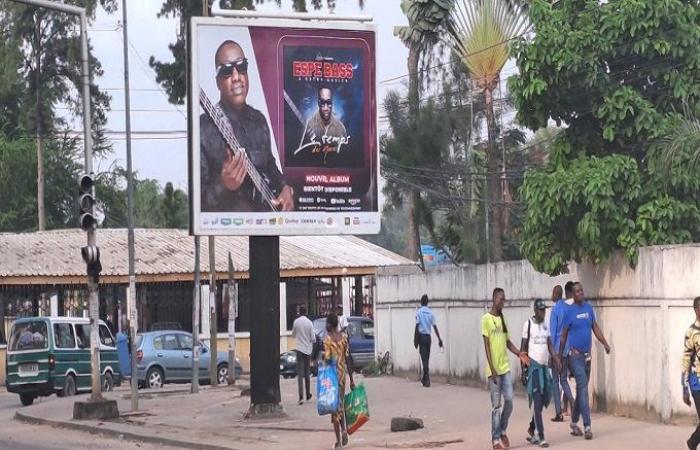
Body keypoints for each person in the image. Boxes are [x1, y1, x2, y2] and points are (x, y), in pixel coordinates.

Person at [200, 39, 294, 212]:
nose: (236, 77)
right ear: (218, 82)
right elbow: (199, 200)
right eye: (227, 71)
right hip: (229, 233)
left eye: (242, 68)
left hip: (265, 226)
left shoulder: (259, 120)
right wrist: (223, 184)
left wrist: (284, 187)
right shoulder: (203, 128)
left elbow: (270, 165)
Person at [558, 282, 611, 440]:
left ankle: (574, 423)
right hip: (575, 356)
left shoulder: (588, 308)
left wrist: (605, 343)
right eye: (577, 291)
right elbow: (563, 336)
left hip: (587, 356)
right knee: (583, 390)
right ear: (573, 295)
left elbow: (595, 327)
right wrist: (559, 356)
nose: (581, 293)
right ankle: (587, 426)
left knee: (581, 391)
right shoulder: (569, 312)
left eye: (582, 290)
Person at [481, 288, 530, 450]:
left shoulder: (503, 319)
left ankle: (502, 429)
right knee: (496, 406)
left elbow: (508, 342)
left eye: (504, 300)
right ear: (494, 299)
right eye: (501, 299)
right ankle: (495, 441)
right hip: (494, 371)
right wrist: (492, 368)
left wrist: (519, 354)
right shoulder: (486, 319)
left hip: (505, 368)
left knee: (509, 401)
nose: (503, 302)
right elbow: (486, 345)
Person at [522, 299, 561, 448]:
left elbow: (550, 344)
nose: (542, 312)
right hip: (534, 368)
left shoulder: (546, 326)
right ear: (535, 311)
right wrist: (524, 370)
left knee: (546, 398)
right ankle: (541, 435)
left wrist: (556, 358)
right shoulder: (528, 325)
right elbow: (523, 349)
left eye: (544, 310)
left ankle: (533, 427)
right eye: (540, 310)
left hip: (545, 368)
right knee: (537, 402)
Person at [323, 313, 355, 449]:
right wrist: (352, 379)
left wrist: (323, 359)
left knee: (334, 409)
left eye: (326, 323)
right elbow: (348, 359)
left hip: (332, 377)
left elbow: (328, 359)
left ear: (330, 324)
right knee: (340, 405)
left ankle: (338, 442)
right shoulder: (344, 338)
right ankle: (343, 430)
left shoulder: (328, 340)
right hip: (342, 376)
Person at [300, 86, 349, 159]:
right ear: (318, 103)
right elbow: (302, 157)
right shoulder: (310, 124)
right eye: (323, 102)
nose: (326, 108)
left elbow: (347, 157)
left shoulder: (340, 128)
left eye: (328, 102)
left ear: (332, 102)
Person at [549, 284, 573, 422]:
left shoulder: (555, 311)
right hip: (566, 350)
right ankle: (572, 401)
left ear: (556, 294)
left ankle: (559, 413)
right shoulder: (568, 309)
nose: (551, 295)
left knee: (555, 381)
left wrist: (552, 354)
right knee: (564, 380)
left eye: (553, 292)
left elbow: (552, 335)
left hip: (557, 350)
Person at [682, 297, 700, 450]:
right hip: (696, 382)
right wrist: (684, 389)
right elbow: (686, 360)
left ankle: (692, 443)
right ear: (696, 310)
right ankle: (692, 443)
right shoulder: (691, 332)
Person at [414, 294, 443, 387]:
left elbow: (417, 326)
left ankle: (427, 379)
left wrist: (415, 339)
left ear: (421, 302)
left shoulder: (419, 312)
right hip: (428, 337)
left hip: (421, 337)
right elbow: (435, 327)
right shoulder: (431, 313)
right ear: (427, 302)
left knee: (424, 358)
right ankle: (425, 378)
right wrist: (439, 339)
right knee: (427, 357)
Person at [292, 306, 315, 405]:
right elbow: (313, 338)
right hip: (307, 350)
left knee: (300, 374)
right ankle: (308, 394)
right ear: (306, 312)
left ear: (299, 312)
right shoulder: (309, 323)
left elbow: (293, 335)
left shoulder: (296, 322)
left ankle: (300, 397)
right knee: (307, 373)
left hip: (299, 349)